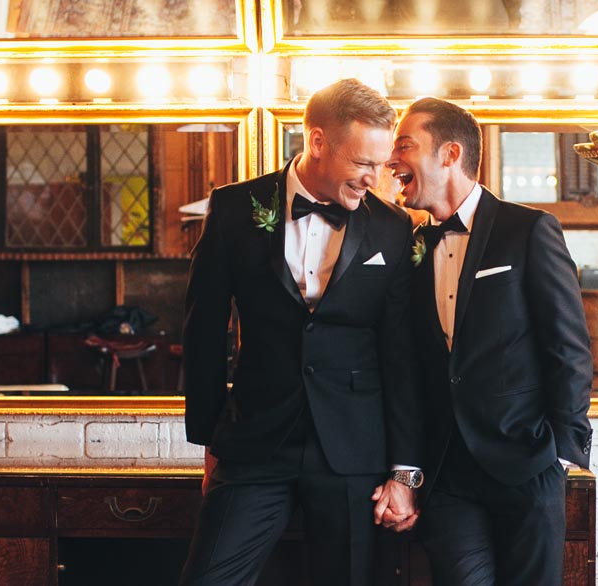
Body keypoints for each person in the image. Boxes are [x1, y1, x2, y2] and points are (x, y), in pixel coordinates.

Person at [181, 78, 423, 586]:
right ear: (317, 142)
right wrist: (208, 440)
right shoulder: (231, 209)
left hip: (355, 451)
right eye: (363, 164)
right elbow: (203, 331)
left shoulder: (394, 229)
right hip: (254, 445)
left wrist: (404, 472)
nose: (374, 179)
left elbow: (401, 356)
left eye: (381, 165)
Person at [387, 97, 593, 586]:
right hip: (448, 476)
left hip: (527, 465)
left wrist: (561, 455)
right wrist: (408, 473)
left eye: (405, 146)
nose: (392, 161)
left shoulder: (528, 230)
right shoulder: (410, 247)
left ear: (450, 153)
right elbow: (409, 370)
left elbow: (568, 346)